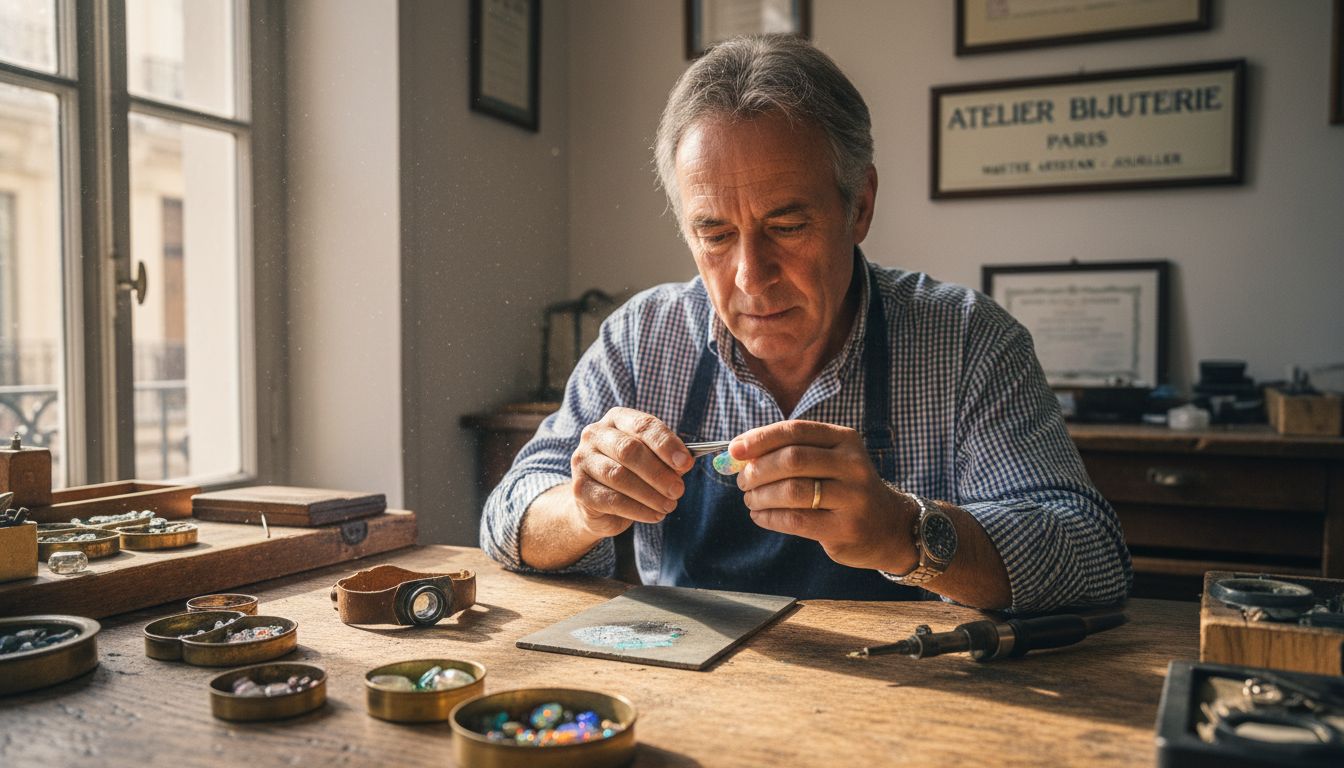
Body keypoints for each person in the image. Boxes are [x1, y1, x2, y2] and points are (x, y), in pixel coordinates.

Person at [481, 35, 1130, 612]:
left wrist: (904, 532)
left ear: (860, 206)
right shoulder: (642, 340)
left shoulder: (965, 342)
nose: (749, 277)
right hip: (689, 704)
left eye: (786, 227)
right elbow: (508, 518)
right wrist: (583, 508)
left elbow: (1092, 556)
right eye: (714, 234)